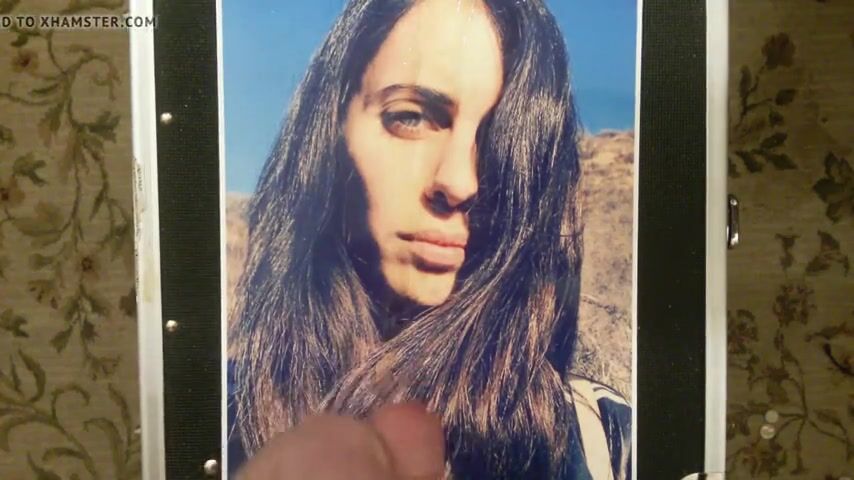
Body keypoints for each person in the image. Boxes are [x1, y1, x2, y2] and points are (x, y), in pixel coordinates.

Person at [229, 0, 632, 478]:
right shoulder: (216, 418)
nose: (459, 182)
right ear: (331, 128)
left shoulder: (607, 442)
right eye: (412, 117)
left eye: (504, 141)